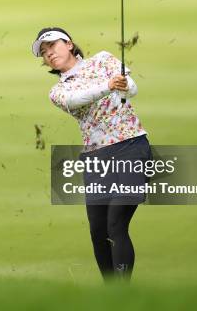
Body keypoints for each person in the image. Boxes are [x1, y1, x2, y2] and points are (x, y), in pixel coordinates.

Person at [32, 26, 153, 283]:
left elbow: (131, 88)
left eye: (52, 46)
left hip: (131, 146)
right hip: (96, 159)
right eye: (44, 52)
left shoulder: (103, 59)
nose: (49, 54)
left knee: (116, 222)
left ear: (69, 44)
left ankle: (123, 293)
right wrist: (108, 86)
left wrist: (122, 84)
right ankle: (110, 295)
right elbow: (78, 100)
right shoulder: (58, 91)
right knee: (98, 232)